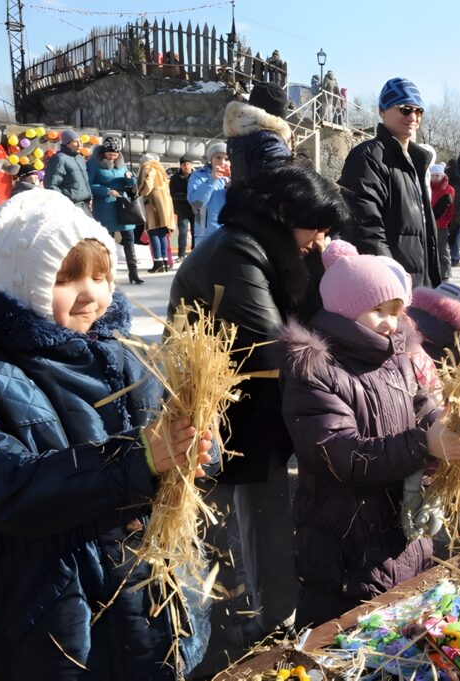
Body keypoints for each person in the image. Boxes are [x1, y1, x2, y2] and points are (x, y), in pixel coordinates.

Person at [0, 190, 213, 679]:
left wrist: (192, 451)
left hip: (151, 585)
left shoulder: (125, 354)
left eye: (100, 276)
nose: (91, 293)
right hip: (59, 600)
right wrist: (140, 459)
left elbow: (164, 446)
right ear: (22, 285)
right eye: (67, 279)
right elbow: (9, 491)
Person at [170, 159, 349, 669]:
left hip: (259, 404)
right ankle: (227, 635)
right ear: (284, 214)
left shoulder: (267, 245)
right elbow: (278, 344)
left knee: (265, 512)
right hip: (219, 410)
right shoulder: (234, 252)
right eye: (316, 227)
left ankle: (270, 617)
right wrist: (346, 375)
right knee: (222, 523)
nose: (319, 241)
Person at [277, 239, 460, 627]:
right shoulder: (315, 373)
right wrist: (424, 445)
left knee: (399, 629)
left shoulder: (396, 356)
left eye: (396, 311)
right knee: (344, 638)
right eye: (378, 311)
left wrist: (450, 428)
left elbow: (422, 406)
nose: (390, 322)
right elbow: (341, 455)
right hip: (346, 545)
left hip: (399, 527)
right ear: (345, 310)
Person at [339, 77, 445, 288]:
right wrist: (390, 283)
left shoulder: (417, 160)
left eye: (418, 111)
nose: (413, 117)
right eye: (405, 109)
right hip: (391, 288)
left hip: (419, 285)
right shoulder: (368, 156)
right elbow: (367, 228)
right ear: (382, 111)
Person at [88, 136, 143, 284]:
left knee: (129, 238)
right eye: (110, 153)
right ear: (104, 152)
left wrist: (131, 179)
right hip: (105, 206)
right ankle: (104, 272)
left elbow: (129, 183)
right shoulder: (94, 164)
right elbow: (89, 184)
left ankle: (134, 273)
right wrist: (106, 190)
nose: (113, 156)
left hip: (123, 204)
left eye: (116, 154)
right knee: (105, 240)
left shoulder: (121, 164)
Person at [224, 81, 293, 185]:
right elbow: (277, 189)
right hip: (262, 201)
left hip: (240, 199)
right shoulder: (270, 142)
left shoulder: (237, 134)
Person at [137, 152, 176, 273]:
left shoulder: (148, 167)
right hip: (165, 201)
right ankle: (164, 261)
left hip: (154, 201)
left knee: (153, 231)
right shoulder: (161, 169)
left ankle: (157, 262)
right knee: (162, 232)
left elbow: (148, 184)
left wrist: (140, 193)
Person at [188, 142, 230, 248]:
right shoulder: (198, 176)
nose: (222, 162)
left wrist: (236, 186)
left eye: (227, 159)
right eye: (218, 157)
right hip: (205, 233)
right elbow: (196, 204)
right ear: (210, 160)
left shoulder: (234, 177)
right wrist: (211, 180)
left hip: (229, 231)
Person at [44, 128, 91, 214]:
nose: (79, 144)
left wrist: (89, 196)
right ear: (67, 144)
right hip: (71, 206)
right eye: (75, 141)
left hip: (85, 204)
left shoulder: (80, 158)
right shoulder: (59, 159)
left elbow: (84, 181)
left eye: (80, 141)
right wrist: (64, 202)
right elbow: (51, 185)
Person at [429, 162, 456, 259]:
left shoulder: (449, 189)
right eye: (433, 175)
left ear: (442, 175)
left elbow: (451, 209)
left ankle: (445, 272)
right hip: (429, 223)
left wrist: (447, 221)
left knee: (442, 250)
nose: (435, 177)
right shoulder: (427, 188)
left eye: (437, 175)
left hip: (442, 225)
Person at [170, 155, 195, 258]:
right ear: (180, 166)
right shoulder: (175, 178)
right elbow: (173, 194)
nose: (186, 166)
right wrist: (188, 197)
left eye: (188, 164)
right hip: (182, 210)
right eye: (184, 164)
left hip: (195, 209)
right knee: (183, 233)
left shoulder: (196, 176)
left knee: (196, 232)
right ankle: (181, 254)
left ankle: (195, 252)